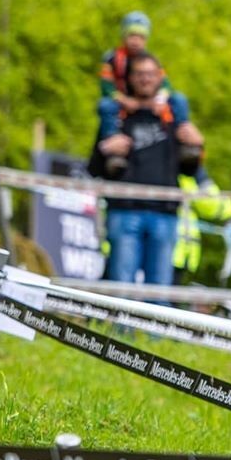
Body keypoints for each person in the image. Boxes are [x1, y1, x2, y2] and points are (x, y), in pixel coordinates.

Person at [88, 52, 204, 288]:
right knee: (120, 285)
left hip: (165, 212)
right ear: (129, 78)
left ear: (160, 77)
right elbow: (94, 169)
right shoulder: (116, 116)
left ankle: (152, 327)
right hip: (123, 210)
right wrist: (105, 149)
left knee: (159, 289)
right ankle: (119, 327)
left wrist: (197, 146)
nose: (145, 79)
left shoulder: (172, 116)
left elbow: (189, 171)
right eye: (139, 74)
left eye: (150, 74)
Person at [98, 11, 192, 176]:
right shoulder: (112, 58)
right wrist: (123, 100)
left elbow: (166, 85)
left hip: (153, 104)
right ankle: (113, 141)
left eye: (141, 37)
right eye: (132, 35)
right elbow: (106, 87)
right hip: (122, 102)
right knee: (105, 106)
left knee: (179, 99)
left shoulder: (150, 59)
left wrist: (161, 99)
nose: (135, 41)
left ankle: (184, 137)